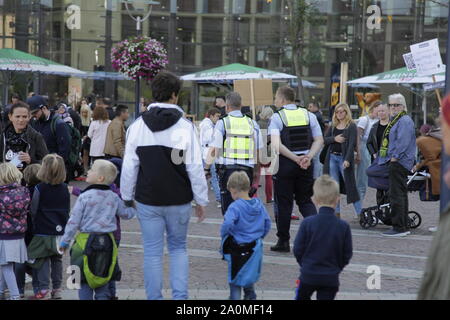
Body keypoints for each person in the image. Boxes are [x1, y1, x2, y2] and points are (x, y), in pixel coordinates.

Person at [120, 71, 208, 300]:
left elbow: (129, 166)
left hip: (148, 199)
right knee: (179, 249)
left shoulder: (137, 127)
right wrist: (201, 199)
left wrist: (127, 196)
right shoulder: (186, 127)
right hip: (179, 199)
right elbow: (195, 167)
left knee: (152, 252)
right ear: (174, 95)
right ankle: (180, 299)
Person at [59, 160, 135, 300]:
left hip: (84, 242)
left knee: (82, 281)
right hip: (107, 241)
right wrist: (132, 203)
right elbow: (126, 214)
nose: (88, 171)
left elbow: (73, 222)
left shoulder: (84, 197)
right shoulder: (114, 197)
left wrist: (64, 242)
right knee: (103, 279)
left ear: (100, 178)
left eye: (92, 169)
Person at [268, 86, 323, 252]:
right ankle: (317, 236)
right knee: (305, 200)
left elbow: (276, 144)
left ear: (283, 99)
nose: (275, 101)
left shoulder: (277, 117)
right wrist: (307, 157)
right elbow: (319, 140)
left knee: (284, 204)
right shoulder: (309, 115)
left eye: (276, 98)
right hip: (306, 164)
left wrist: (294, 158)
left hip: (286, 164)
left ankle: (283, 241)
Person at [293, 175, 352, 300]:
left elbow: (298, 249)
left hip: (308, 273)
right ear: (337, 199)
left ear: (314, 199)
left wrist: (305, 265)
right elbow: (347, 254)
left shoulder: (307, 223)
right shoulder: (343, 226)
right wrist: (337, 267)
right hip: (330, 276)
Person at [205, 92, 264, 216]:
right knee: (243, 206)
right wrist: (256, 172)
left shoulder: (223, 123)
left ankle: (231, 232)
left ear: (227, 106)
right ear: (241, 105)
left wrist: (206, 168)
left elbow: (214, 149)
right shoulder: (252, 123)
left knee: (227, 208)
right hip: (246, 170)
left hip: (227, 171)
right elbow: (258, 151)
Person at [220, 171, 271, 300]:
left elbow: (227, 223)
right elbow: (267, 223)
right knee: (248, 273)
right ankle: (250, 296)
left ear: (234, 190)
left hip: (238, 246)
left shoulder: (235, 207)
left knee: (235, 277)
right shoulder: (259, 205)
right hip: (254, 247)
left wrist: (225, 235)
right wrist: (260, 236)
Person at [26, 154, 69, 300]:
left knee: (42, 259)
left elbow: (33, 209)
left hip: (42, 230)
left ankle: (43, 288)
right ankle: (57, 289)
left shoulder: (39, 188)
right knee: (57, 260)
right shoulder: (65, 188)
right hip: (60, 230)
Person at [378, 94, 416, 237]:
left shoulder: (404, 120)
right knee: (400, 193)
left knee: (396, 195)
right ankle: (403, 225)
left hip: (399, 162)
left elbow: (403, 141)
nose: (393, 107)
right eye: (391, 105)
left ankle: (399, 227)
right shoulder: (398, 119)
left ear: (402, 106)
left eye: (396, 105)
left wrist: (395, 157)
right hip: (399, 161)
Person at [323, 103, 361, 219]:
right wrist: (335, 138)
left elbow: (351, 145)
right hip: (332, 159)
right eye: (337, 112)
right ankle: (337, 213)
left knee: (351, 186)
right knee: (335, 187)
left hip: (343, 160)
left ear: (346, 112)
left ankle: (360, 213)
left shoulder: (351, 126)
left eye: (341, 111)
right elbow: (324, 140)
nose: (339, 114)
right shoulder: (333, 126)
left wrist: (348, 159)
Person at [0, 163, 30, 300]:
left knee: (5, 267)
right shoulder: (24, 192)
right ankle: (1, 290)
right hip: (18, 234)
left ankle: (14, 295)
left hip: (3, 234)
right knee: (5, 265)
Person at [14, 163, 42, 298]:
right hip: (37, 229)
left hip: (22, 228)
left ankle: (19, 288)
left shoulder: (22, 191)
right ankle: (37, 287)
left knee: (20, 260)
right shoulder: (43, 191)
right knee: (35, 260)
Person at [0, 102, 48, 169]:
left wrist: (31, 161)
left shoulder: (36, 137)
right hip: (6, 178)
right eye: (17, 116)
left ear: (29, 117)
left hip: (28, 178)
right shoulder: (3, 136)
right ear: (10, 117)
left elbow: (46, 163)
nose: (21, 120)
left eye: (24, 117)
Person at [28, 95, 71, 164]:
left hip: (54, 167)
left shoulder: (59, 124)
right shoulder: (35, 123)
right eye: (31, 114)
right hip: (40, 166)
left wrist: (55, 167)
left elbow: (64, 150)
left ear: (44, 108)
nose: (33, 116)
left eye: (35, 113)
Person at [356, 100, 380, 205]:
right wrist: (358, 152)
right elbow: (358, 137)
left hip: (375, 148)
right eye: (378, 110)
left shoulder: (379, 120)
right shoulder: (364, 119)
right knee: (362, 178)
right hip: (364, 147)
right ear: (373, 108)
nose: (379, 112)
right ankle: (359, 205)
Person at [366, 103, 390, 206]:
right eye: (379, 111)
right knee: (379, 186)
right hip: (378, 161)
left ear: (388, 111)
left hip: (390, 160)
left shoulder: (393, 125)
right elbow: (369, 143)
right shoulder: (374, 126)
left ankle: (389, 210)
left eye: (383, 111)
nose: (381, 113)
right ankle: (380, 209)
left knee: (389, 185)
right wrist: (373, 153)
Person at [199, 108, 222, 207]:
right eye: (217, 116)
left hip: (206, 152)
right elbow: (210, 138)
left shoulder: (206, 124)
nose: (218, 118)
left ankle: (195, 198)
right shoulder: (208, 125)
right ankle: (219, 199)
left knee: (206, 177)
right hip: (208, 153)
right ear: (211, 116)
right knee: (213, 177)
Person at [255, 106, 274, 203]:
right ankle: (269, 197)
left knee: (256, 177)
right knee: (268, 177)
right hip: (268, 153)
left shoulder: (256, 124)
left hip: (257, 153)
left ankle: (255, 197)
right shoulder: (271, 125)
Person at [307, 102, 325, 179]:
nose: (309, 108)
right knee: (317, 160)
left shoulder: (315, 116)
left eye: (310, 106)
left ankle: (316, 178)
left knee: (317, 161)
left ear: (315, 107)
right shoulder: (317, 115)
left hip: (317, 142)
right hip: (317, 141)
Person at [79, 100, 92, 174]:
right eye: (83, 112)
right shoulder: (80, 120)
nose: (84, 114)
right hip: (83, 140)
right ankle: (84, 169)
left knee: (88, 154)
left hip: (89, 140)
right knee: (84, 154)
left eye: (86, 112)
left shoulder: (91, 121)